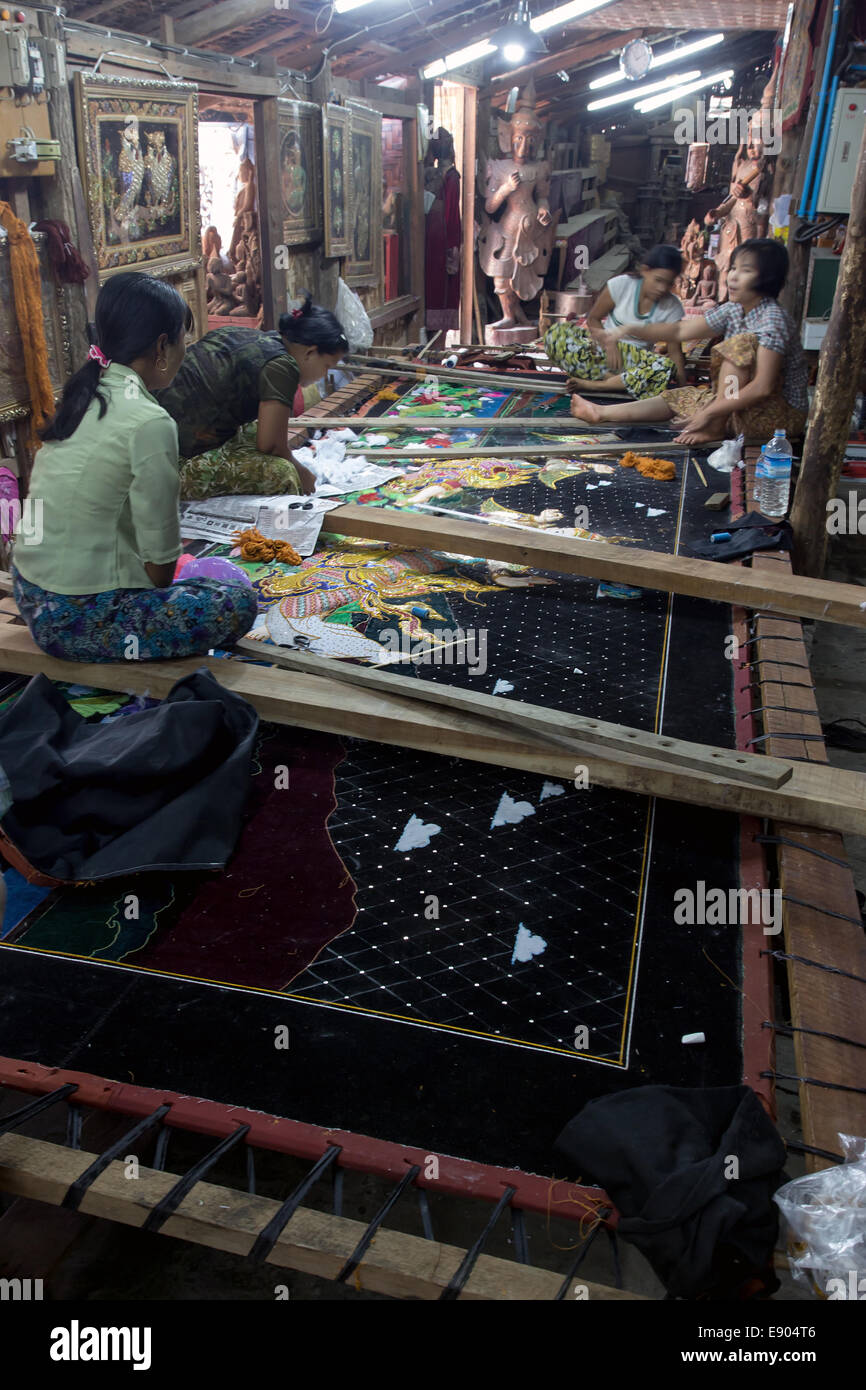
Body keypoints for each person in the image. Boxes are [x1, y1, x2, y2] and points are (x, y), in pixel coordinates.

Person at [11, 272, 258, 663]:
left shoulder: (86, 395)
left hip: (29, 592)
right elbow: (160, 572)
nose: (184, 353)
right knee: (238, 602)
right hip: (75, 618)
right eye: (183, 341)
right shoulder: (149, 421)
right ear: (162, 346)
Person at [569, 239, 809, 445]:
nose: (733, 276)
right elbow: (680, 330)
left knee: (738, 345)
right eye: (733, 268)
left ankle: (715, 425)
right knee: (679, 397)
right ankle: (600, 412)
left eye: (745, 270)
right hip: (744, 409)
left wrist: (710, 412)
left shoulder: (772, 319)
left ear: (767, 278)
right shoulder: (734, 309)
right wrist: (630, 328)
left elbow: (762, 387)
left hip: (778, 420)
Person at [154, 295, 348, 497]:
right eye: (326, 366)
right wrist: (302, 472)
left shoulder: (256, 338)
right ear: (310, 352)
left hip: (159, 439)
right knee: (284, 473)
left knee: (255, 430)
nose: (324, 375)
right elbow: (271, 445)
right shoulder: (282, 366)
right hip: (173, 465)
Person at [544, 246, 687, 399]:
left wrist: (683, 391)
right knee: (556, 334)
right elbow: (593, 319)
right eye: (658, 280)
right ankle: (618, 382)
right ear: (645, 270)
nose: (662, 288)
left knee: (665, 368)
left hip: (636, 364)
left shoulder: (672, 307)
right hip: (604, 352)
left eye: (668, 283)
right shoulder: (621, 285)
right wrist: (609, 344)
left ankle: (597, 385)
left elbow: (675, 353)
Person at [424, 129, 461, 333]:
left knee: (435, 289)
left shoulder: (435, 175)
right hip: (445, 241)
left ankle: (434, 347)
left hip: (434, 239)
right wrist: (453, 248)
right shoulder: (450, 177)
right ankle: (436, 348)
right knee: (443, 290)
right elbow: (451, 216)